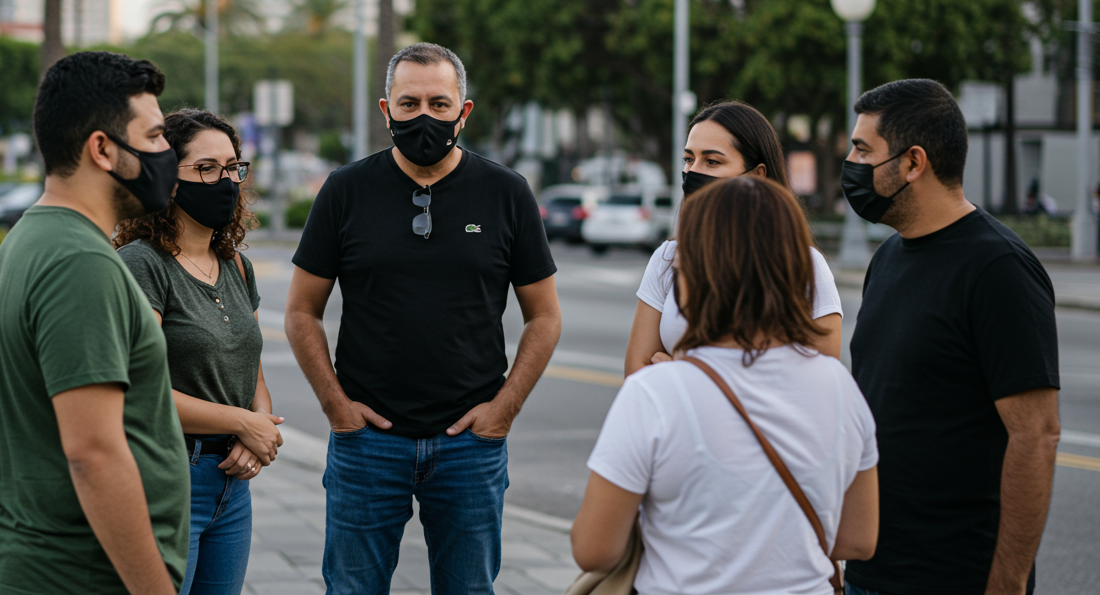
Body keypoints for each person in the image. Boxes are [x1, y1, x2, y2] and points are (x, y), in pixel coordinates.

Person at [285, 42, 562, 594]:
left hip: (470, 447)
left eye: (440, 104)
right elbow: (300, 311)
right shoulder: (345, 190)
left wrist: (503, 411)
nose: (424, 117)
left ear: (464, 112)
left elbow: (545, 317)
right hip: (367, 444)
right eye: (409, 104)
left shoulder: (506, 193)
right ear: (386, 111)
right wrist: (336, 406)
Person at [572, 176, 879, 595]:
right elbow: (858, 540)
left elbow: (593, 549)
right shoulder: (840, 388)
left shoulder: (656, 392)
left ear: (696, 275)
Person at [0, 51, 190, 595]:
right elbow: (93, 455)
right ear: (102, 149)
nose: (168, 153)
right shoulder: (80, 261)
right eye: (154, 137)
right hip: (80, 576)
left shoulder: (33, 236)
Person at [842, 79, 1060, 595]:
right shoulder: (888, 258)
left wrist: (1007, 582)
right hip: (872, 569)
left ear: (913, 162)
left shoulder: (998, 268)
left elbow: (1036, 435)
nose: (850, 164)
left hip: (954, 577)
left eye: (862, 150)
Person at [115, 109, 281, 595]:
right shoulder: (141, 265)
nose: (225, 181)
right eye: (206, 168)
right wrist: (242, 422)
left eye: (232, 168)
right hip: (168, 475)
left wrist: (257, 428)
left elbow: (253, 371)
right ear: (168, 180)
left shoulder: (237, 266)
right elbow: (138, 391)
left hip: (232, 483)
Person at [625, 100, 843, 373]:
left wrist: (681, 372)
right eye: (689, 159)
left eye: (712, 161)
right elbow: (637, 373)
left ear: (757, 175)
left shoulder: (804, 265)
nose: (692, 172)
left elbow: (821, 381)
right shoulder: (668, 259)